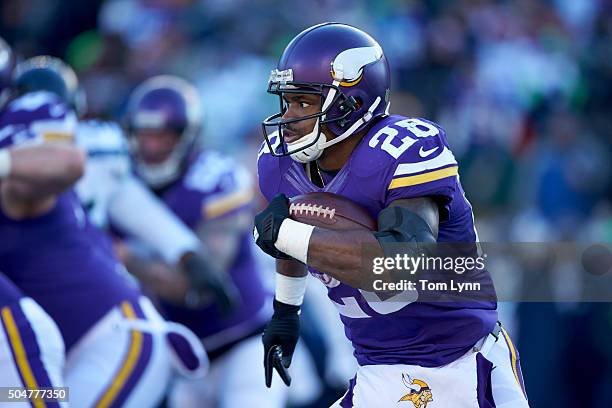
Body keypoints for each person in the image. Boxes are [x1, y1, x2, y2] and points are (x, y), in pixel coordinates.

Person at [254, 22, 529, 407]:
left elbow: (401, 263)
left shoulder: (400, 150)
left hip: (454, 367)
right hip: (375, 367)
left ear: (351, 102)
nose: (289, 117)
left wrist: (286, 234)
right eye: (286, 102)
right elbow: (297, 234)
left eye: (304, 103)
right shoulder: (281, 165)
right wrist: (286, 311)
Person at [1, 56, 206, 407]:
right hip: (54, 354)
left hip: (113, 339)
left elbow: (69, 161)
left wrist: (186, 251)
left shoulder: (30, 126)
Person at [124, 75, 286, 407]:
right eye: (145, 136)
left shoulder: (215, 180)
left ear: (186, 136)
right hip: (181, 359)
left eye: (163, 137)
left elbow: (198, 287)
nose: (152, 148)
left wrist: (120, 254)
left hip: (244, 342)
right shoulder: (120, 181)